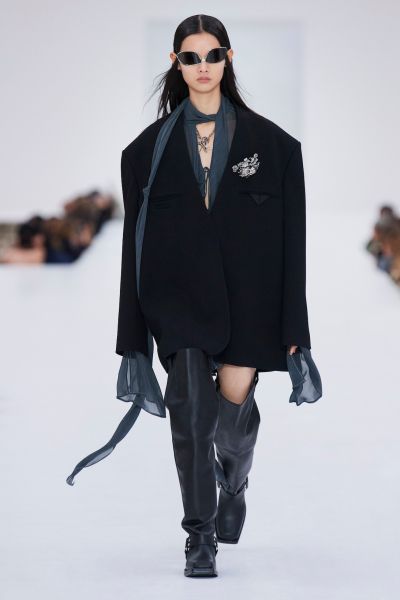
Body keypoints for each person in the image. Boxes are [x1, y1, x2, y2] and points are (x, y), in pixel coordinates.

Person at [66, 13, 312, 579]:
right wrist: (132, 333)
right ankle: (199, 538)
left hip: (250, 299)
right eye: (191, 57)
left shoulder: (276, 146)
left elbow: (292, 243)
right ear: (175, 63)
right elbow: (134, 247)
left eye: (213, 55)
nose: (203, 67)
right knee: (191, 413)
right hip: (176, 298)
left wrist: (295, 329)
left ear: (229, 58)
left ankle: (236, 482)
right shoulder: (143, 154)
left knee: (230, 418)